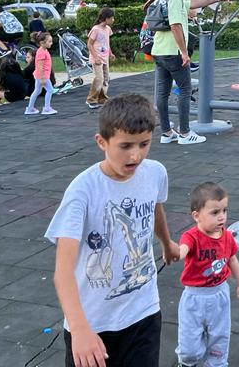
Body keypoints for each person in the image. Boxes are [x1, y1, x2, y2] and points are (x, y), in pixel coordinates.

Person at [46, 94, 180, 367]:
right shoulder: (83, 191)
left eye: (144, 144)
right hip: (93, 323)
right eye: (125, 146)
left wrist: (166, 243)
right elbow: (63, 272)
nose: (136, 155)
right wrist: (80, 329)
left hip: (143, 312)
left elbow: (154, 210)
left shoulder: (155, 173)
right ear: (102, 142)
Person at [149, 0, 229, 146]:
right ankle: (185, 133)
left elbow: (193, 3)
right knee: (185, 89)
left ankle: (166, 132)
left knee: (162, 93)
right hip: (173, 52)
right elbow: (176, 25)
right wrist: (184, 52)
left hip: (159, 51)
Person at [176, 182, 239, 367]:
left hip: (219, 295)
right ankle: (187, 361)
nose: (222, 216)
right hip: (194, 298)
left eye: (224, 210)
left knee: (220, 338)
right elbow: (183, 250)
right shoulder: (191, 237)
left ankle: (216, 363)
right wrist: (175, 252)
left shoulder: (227, 236)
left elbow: (232, 259)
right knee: (190, 345)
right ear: (197, 216)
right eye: (215, 212)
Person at [86, 8, 116, 110]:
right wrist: (96, 57)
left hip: (105, 57)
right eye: (112, 18)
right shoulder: (96, 29)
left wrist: (110, 53)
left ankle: (102, 99)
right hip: (97, 58)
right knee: (99, 78)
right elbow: (89, 44)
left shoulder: (108, 29)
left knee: (106, 79)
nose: (113, 20)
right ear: (106, 18)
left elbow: (107, 43)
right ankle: (91, 99)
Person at [25, 31, 57, 116]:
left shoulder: (43, 50)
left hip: (40, 75)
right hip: (42, 76)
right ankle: (47, 108)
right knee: (50, 90)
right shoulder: (41, 52)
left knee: (37, 91)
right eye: (49, 41)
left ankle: (30, 108)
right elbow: (39, 66)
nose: (51, 43)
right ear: (42, 43)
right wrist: (42, 78)